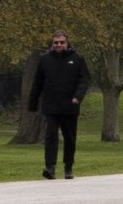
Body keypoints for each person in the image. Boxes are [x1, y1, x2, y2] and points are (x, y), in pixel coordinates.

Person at [27, 30, 91, 180]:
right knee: (50, 136)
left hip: (70, 105)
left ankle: (68, 167)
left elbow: (84, 80)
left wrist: (78, 96)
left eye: (61, 42)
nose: (59, 45)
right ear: (52, 43)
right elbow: (37, 83)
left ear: (67, 42)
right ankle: (50, 168)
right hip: (51, 105)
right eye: (56, 42)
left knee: (69, 137)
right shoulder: (45, 60)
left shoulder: (77, 59)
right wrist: (32, 104)